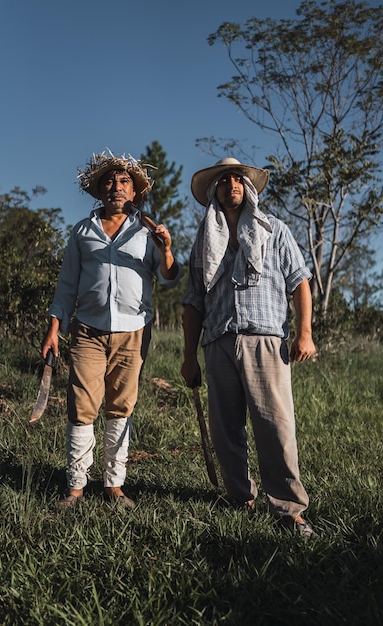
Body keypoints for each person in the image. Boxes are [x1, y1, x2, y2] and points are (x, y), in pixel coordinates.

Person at [181, 158, 317, 538]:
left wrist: (304, 333)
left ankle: (289, 510)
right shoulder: (205, 239)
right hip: (219, 341)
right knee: (226, 430)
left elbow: (299, 281)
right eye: (223, 180)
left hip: (265, 339)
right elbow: (193, 301)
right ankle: (241, 498)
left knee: (276, 426)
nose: (231, 184)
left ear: (248, 188)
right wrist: (189, 356)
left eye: (237, 178)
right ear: (214, 192)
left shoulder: (273, 230)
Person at [42, 150, 182, 509]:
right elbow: (67, 284)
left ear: (135, 192)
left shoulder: (147, 231)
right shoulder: (82, 232)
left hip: (133, 330)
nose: (116, 187)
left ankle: (113, 485)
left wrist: (165, 250)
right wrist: (54, 327)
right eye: (109, 181)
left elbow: (168, 279)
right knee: (81, 405)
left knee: (121, 406)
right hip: (87, 330)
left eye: (124, 182)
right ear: (99, 191)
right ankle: (75, 485)